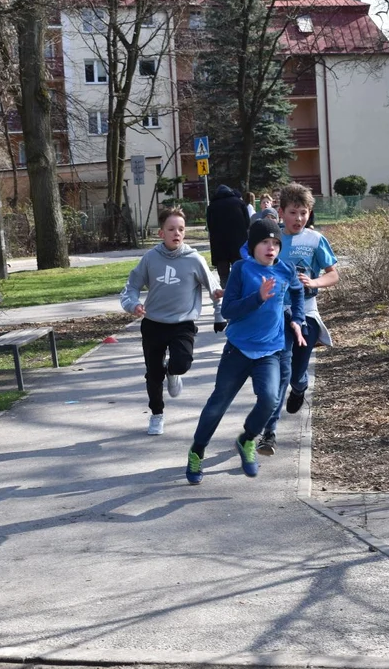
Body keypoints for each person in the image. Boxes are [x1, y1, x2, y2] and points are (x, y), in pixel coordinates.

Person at [185, 218, 306, 484]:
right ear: (253, 246)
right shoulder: (241, 269)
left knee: (271, 399)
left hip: (270, 351)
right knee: (218, 405)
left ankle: (247, 438)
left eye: (275, 242)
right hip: (238, 350)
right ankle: (197, 451)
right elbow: (228, 310)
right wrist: (258, 298)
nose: (271, 247)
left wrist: (298, 319)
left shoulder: (285, 270)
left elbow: (298, 293)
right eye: (264, 242)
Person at [120, 207, 225, 436]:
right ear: (161, 233)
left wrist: (219, 314)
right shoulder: (150, 259)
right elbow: (131, 287)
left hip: (182, 323)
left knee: (182, 363)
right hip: (154, 323)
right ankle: (157, 415)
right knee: (153, 374)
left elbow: (214, 287)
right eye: (171, 229)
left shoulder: (194, 259)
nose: (177, 233)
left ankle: (174, 371)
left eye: (181, 229)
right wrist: (134, 304)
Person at [256, 182, 339, 456]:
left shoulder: (315, 240)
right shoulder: (272, 239)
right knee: (280, 372)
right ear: (281, 212)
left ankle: (300, 385)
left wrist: (314, 281)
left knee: (295, 373)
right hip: (276, 317)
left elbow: (333, 274)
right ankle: (269, 434)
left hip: (308, 313)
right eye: (293, 212)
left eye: (304, 212)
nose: (299, 219)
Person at [205, 184, 250, 288]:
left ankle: (226, 292)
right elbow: (247, 222)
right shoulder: (239, 202)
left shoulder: (212, 206)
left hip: (219, 244)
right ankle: (240, 292)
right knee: (239, 270)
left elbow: (210, 226)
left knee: (224, 274)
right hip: (238, 243)